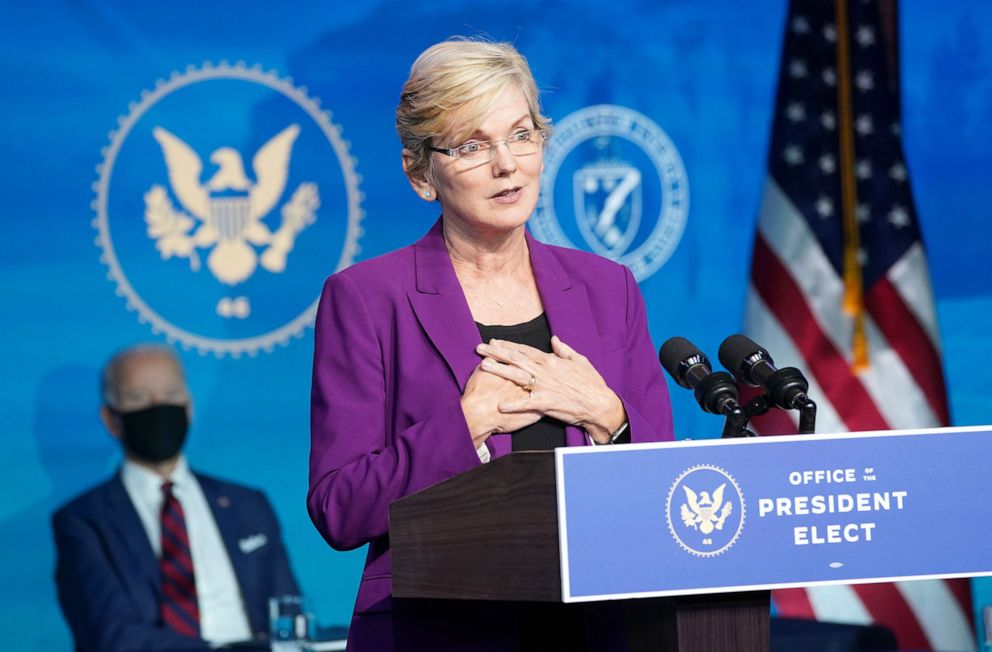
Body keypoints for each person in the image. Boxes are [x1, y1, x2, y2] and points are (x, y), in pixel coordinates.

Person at [307, 38, 674, 650]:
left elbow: (667, 486)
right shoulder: (369, 299)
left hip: (602, 629)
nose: (507, 164)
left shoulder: (608, 288)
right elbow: (338, 508)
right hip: (437, 630)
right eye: (473, 145)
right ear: (421, 172)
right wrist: (464, 425)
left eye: (522, 134)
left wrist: (609, 418)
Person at [53, 344, 299, 652]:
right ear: (111, 419)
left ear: (189, 407)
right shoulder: (84, 520)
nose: (158, 408)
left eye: (170, 396)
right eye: (138, 398)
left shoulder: (248, 504)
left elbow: (289, 615)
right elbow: (114, 638)